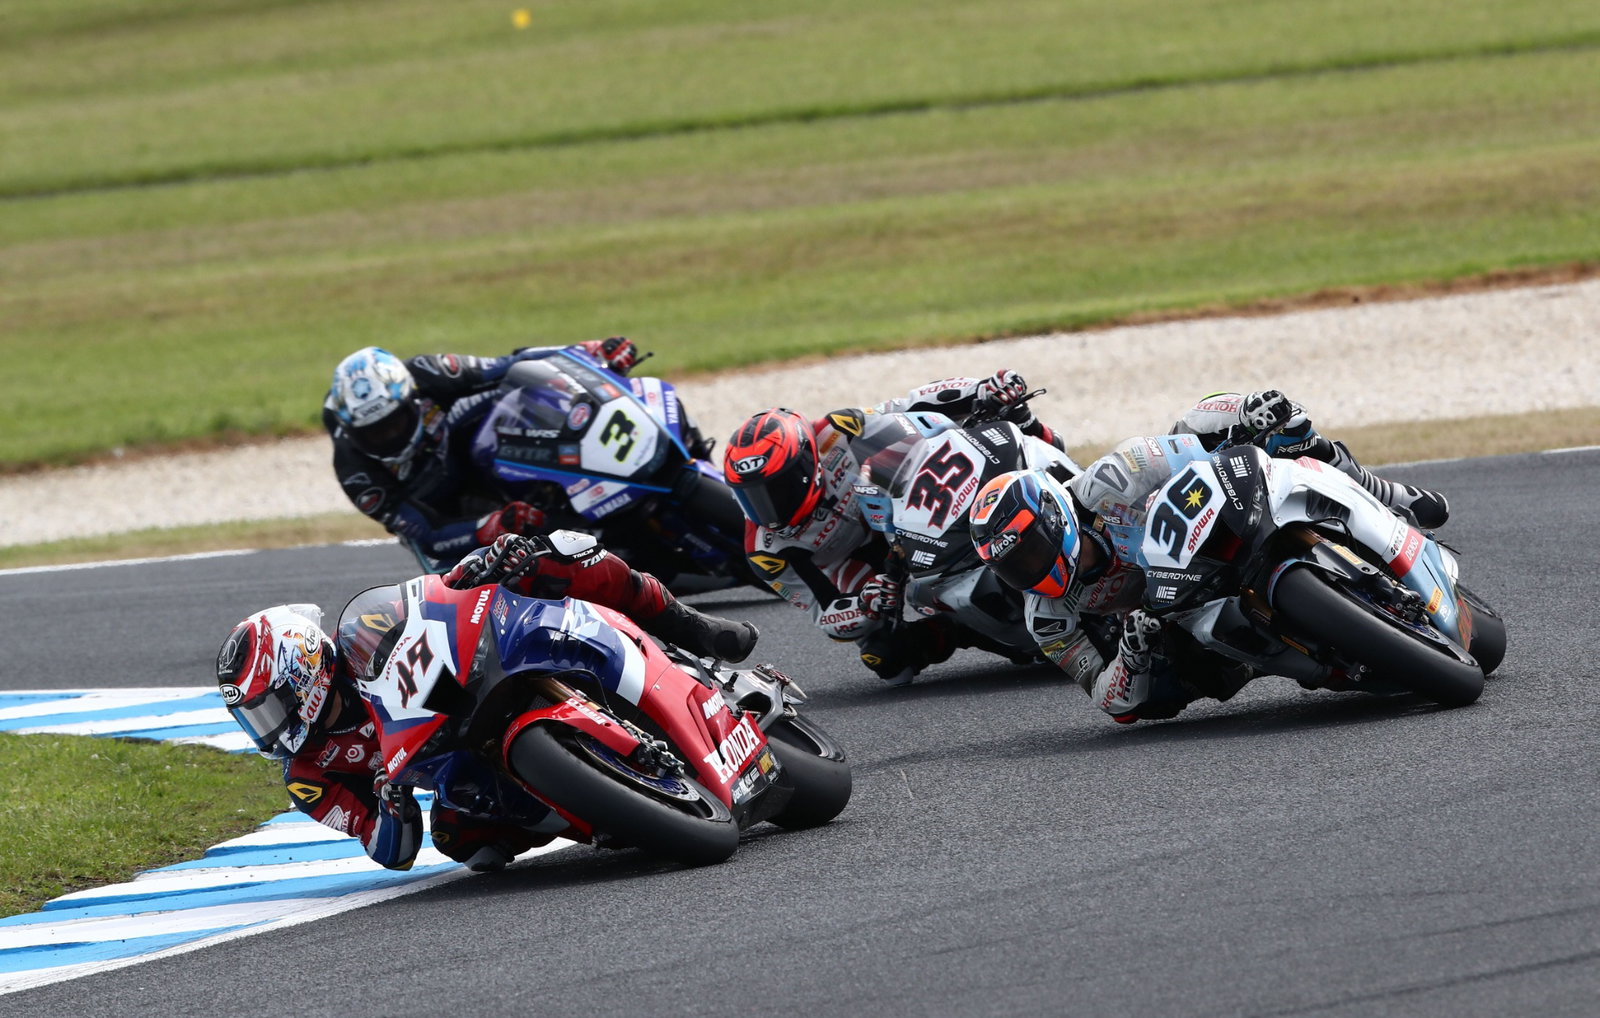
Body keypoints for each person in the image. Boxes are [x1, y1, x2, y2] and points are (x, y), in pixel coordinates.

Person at [215, 531, 757, 873]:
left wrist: (478, 566)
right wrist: (391, 803)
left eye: (271, 705)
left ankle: (693, 627)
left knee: (561, 555)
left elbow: (430, 597)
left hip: (472, 682)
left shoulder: (364, 635)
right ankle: (614, 813)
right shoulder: (307, 774)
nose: (268, 727)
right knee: (464, 841)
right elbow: (389, 852)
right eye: (253, 717)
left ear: (305, 669)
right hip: (456, 757)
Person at [968, 389, 1449, 724]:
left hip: (1212, 527)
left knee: (1232, 420)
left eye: (1029, 552)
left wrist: (1247, 424)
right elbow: (1107, 697)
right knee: (1157, 700)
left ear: (1054, 517)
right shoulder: (1047, 618)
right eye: (1012, 567)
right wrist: (1133, 656)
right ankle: (1315, 660)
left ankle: (1386, 493)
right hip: (1175, 614)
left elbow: (1198, 448)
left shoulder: (1114, 477)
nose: (1027, 571)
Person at [723, 370, 1065, 686]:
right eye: (751, 496)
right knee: (887, 659)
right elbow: (825, 612)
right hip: (865, 565)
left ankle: (1050, 456)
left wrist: (980, 389)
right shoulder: (767, 551)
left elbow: (913, 403)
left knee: (1006, 426)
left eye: (775, 490)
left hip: (907, 505)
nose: (766, 507)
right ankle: (964, 630)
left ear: (806, 464)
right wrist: (865, 604)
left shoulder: (839, 430)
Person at [322, 338, 643, 570]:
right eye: (374, 434)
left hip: (457, 449)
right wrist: (490, 526)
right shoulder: (357, 475)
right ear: (352, 432)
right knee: (452, 576)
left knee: (515, 399)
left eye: (394, 423)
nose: (389, 437)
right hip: (444, 513)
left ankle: (581, 476)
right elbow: (429, 534)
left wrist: (591, 352)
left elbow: (510, 365)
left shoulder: (427, 372)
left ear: (411, 398)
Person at [1171, 390, 1449, 529]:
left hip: (1268, 476)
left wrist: (1252, 418)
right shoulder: (1162, 496)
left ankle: (1383, 494)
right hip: (1223, 526)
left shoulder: (1200, 423)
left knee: (1294, 431)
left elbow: (1256, 403)